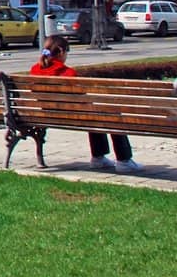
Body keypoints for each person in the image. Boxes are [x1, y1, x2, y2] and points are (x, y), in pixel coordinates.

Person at [30, 34, 140, 173]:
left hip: (46, 115)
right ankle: (123, 160)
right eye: (67, 51)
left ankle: (99, 158)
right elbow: (81, 100)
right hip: (72, 117)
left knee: (94, 114)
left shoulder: (34, 70)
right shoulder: (68, 73)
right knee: (111, 114)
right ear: (61, 51)